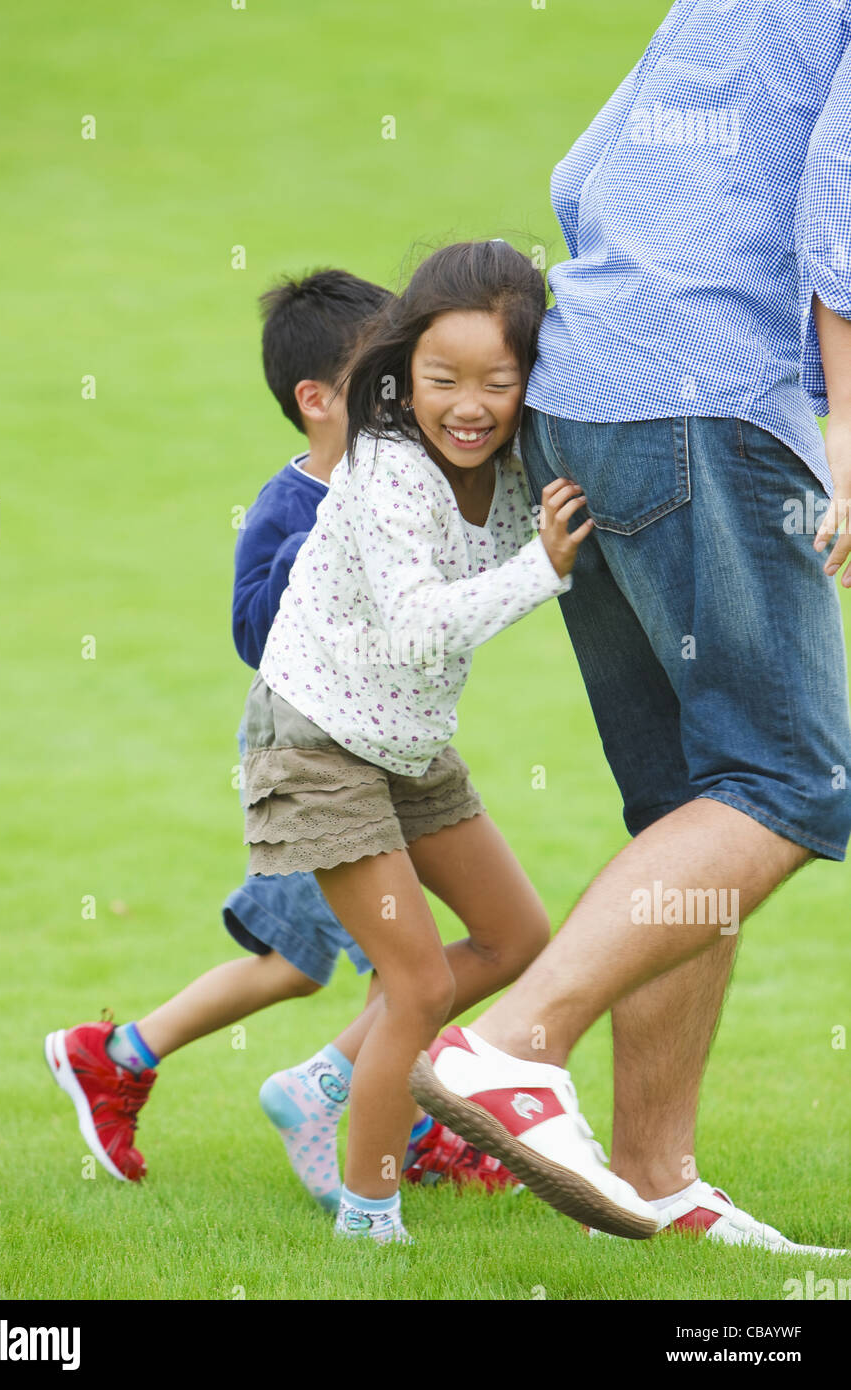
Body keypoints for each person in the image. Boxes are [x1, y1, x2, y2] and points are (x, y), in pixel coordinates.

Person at [410, 1, 851, 1255]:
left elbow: (586, 168)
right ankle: (509, 1047)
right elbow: (845, 196)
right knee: (785, 778)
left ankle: (656, 1170)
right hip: (711, 404)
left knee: (685, 802)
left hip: (585, 390)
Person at [240, 238, 598, 1243]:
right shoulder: (389, 465)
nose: (468, 404)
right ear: (403, 372)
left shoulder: (518, 465)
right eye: (441, 378)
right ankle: (369, 1215)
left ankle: (320, 1082)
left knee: (516, 939)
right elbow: (414, 622)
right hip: (316, 742)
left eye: (498, 379)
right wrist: (544, 568)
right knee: (421, 983)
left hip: (403, 741)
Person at [44, 270, 394, 1191]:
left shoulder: (404, 481)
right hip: (316, 755)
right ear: (315, 401)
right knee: (416, 964)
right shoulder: (289, 507)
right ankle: (385, 1115)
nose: (406, 394)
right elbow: (251, 632)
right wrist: (325, 539)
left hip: (383, 748)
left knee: (293, 963)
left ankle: (118, 1054)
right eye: (383, 377)